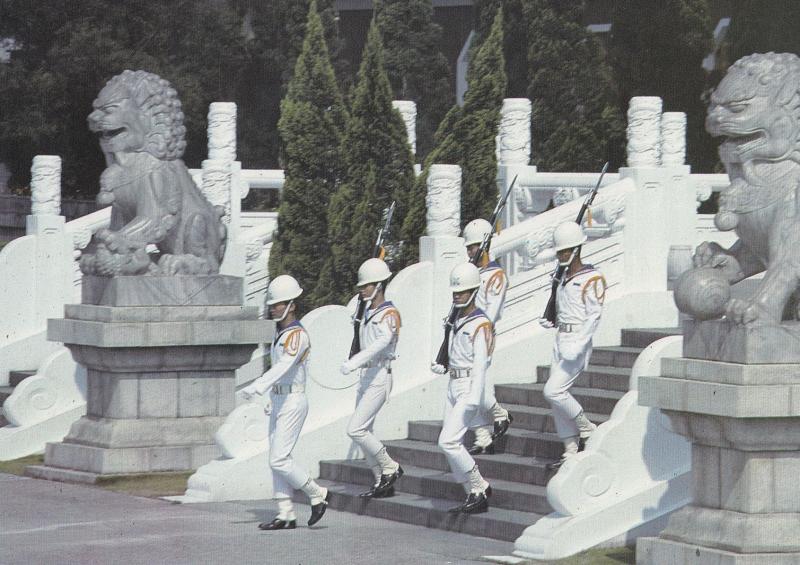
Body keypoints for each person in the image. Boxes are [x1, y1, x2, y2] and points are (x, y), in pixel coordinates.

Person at [241, 275, 330, 530]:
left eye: (278, 303)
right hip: (280, 399)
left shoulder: (297, 336)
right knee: (276, 457)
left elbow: (283, 366)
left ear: (291, 304)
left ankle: (317, 493)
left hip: (293, 400)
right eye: (272, 304)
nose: (273, 307)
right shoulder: (281, 335)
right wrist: (271, 397)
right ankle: (286, 513)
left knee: (279, 459)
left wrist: (258, 386)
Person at [538, 222, 606, 470]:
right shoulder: (562, 276)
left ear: (578, 249)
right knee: (556, 398)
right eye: (560, 252)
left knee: (553, 391)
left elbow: (594, 316)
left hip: (577, 341)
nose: (562, 255)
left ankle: (587, 427)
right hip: (560, 339)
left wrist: (579, 344)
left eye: (566, 251)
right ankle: (569, 447)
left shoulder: (591, 278)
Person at [432, 263, 494, 513]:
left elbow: (481, 364)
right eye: (455, 291)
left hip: (469, 385)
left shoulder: (480, 323)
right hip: (453, 384)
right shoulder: (456, 319)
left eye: (463, 291)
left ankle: (480, 485)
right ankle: (472, 493)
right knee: (448, 443)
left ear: (474, 291)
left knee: (448, 441)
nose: (457, 294)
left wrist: (475, 397)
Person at [340, 258, 404, 498]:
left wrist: (353, 361)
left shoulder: (389, 314)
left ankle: (390, 467)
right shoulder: (366, 310)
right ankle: (381, 481)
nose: (362, 289)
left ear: (379, 285)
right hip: (366, 375)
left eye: (367, 285)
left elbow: (382, 342)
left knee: (355, 429)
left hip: (380, 375)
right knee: (365, 430)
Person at [461, 219, 513, 456]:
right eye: (468, 247)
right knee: (466, 388)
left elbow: (491, 311)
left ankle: (499, 414)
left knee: (474, 386)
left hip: (483, 333)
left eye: (473, 246)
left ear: (484, 244)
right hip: (464, 335)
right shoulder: (470, 274)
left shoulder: (496, 275)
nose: (470, 251)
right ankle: (483, 436)